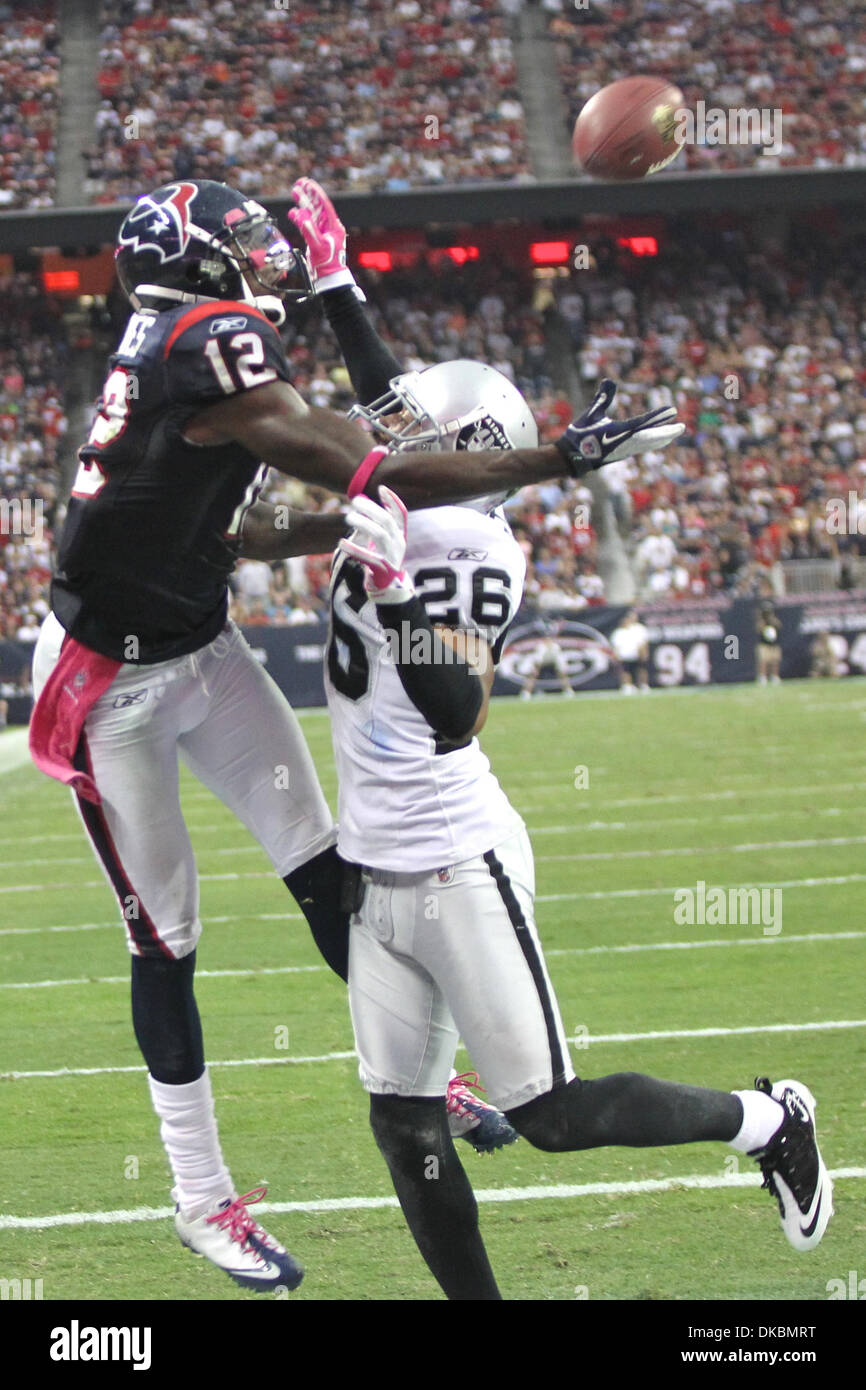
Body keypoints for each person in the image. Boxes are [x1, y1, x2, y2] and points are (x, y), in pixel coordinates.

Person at [29, 177, 681, 1294]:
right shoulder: (207, 339)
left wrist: (336, 306)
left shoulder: (187, 338)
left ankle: (430, 1071)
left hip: (197, 641)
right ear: (194, 266)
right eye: (236, 241)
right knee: (168, 939)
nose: (256, 252)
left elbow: (276, 506)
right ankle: (200, 1199)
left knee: (329, 868)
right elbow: (378, 460)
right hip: (108, 687)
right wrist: (552, 462)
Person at [299, 192, 833, 1302]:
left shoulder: (470, 543)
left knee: (547, 1114)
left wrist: (394, 590)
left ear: (461, 458)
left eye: (411, 436)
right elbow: (389, 394)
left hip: (454, 859)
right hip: (375, 860)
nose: (383, 432)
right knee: (401, 1123)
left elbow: (453, 710)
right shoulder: (421, 488)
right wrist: (336, 283)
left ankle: (766, 1118)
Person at [609, 607, 650, 692]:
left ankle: (643, 685)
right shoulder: (618, 632)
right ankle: (627, 686)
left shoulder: (638, 629)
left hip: (635, 654)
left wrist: (643, 652)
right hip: (625, 655)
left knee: (640, 669)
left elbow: (642, 642)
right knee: (626, 671)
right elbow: (616, 645)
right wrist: (616, 654)